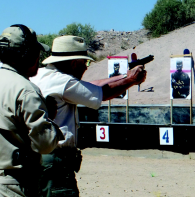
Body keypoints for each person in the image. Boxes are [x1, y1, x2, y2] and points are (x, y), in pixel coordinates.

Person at [30, 35, 147, 196]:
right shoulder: (64, 82)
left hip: (38, 157)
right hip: (56, 159)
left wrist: (124, 76)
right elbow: (102, 93)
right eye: (85, 63)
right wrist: (131, 80)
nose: (86, 67)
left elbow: (92, 85)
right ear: (73, 63)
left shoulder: (42, 75)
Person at [0, 24, 64, 196]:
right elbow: (45, 144)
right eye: (36, 52)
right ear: (26, 55)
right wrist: (49, 118)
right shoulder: (26, 90)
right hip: (13, 184)